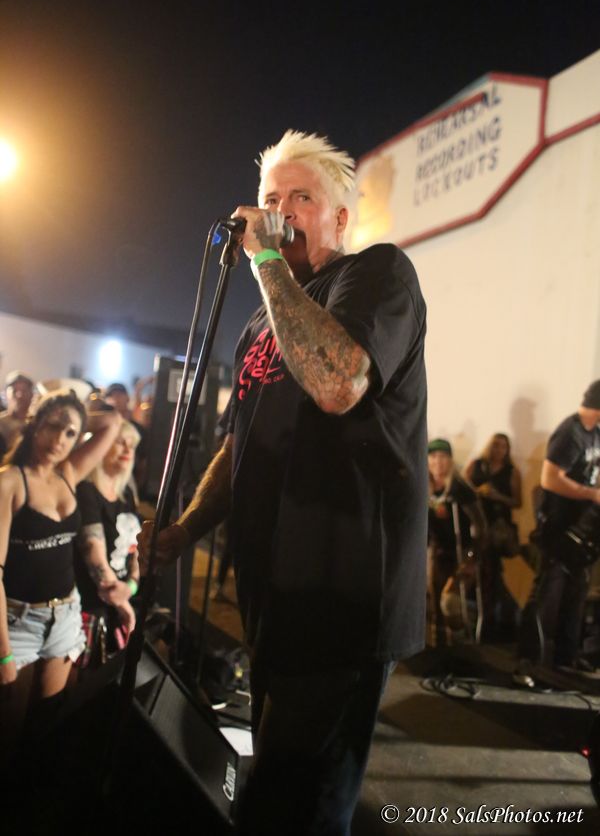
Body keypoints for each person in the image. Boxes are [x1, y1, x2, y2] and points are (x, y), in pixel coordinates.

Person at [138, 130, 428, 835]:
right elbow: (240, 442)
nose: (281, 211)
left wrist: (266, 259)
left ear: (340, 218)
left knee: (295, 807)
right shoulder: (259, 325)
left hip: (343, 597)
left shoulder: (378, 274)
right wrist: (184, 530)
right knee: (274, 784)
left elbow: (336, 383)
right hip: (275, 594)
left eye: (302, 198)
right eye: (272, 198)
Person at [0, 390, 121, 758]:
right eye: (53, 427)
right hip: (17, 623)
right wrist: (3, 655)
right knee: (7, 735)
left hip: (65, 616)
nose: (61, 439)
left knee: (46, 727)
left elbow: (112, 422)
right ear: (35, 425)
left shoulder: (68, 472)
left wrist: (72, 413)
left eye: (71, 433)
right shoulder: (10, 482)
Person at [514, 380, 600, 688]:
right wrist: (592, 494)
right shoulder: (570, 432)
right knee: (546, 597)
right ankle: (526, 662)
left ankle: (565, 659)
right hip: (558, 530)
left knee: (575, 597)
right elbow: (550, 479)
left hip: (580, 534)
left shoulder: (594, 433)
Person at [74, 418, 142, 668]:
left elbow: (136, 549)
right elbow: (95, 553)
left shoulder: (126, 494)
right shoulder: (86, 490)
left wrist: (131, 586)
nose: (127, 449)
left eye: (132, 445)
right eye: (120, 442)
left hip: (122, 598)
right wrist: (122, 600)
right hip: (92, 606)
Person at [427, 438, 486, 646]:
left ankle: (461, 641)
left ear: (450, 460)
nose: (438, 462)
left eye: (443, 457)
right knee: (435, 602)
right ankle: (440, 646)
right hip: (437, 551)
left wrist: (472, 558)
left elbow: (480, 526)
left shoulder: (461, 489)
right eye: (433, 457)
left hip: (462, 552)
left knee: (450, 600)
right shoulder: (424, 488)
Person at [465, 433, 522, 639]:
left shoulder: (511, 472)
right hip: (476, 525)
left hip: (498, 531)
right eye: (496, 445)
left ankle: (492, 622)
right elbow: (462, 487)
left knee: (492, 573)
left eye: (503, 447)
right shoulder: (476, 465)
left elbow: (517, 502)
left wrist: (497, 496)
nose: (498, 450)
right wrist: (478, 492)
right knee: (482, 573)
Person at [0, 371, 35, 458]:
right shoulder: (1, 423)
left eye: (24, 390)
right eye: (14, 390)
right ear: (5, 395)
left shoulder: (36, 424)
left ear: (32, 395)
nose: (19, 395)